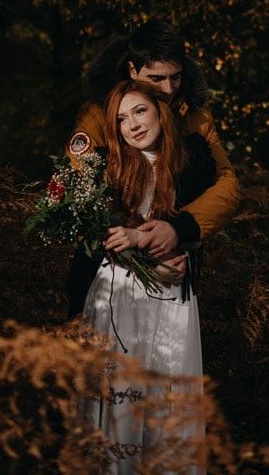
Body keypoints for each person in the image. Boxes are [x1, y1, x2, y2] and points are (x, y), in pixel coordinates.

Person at [79, 79, 216, 474]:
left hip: (173, 297)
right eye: (122, 120)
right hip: (121, 294)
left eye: (140, 111)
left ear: (161, 111)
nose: (133, 125)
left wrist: (185, 253)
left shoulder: (192, 164)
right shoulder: (111, 167)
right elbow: (105, 237)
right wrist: (142, 248)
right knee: (124, 403)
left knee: (170, 403)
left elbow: (199, 225)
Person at [64, 20, 240, 317]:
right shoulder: (98, 115)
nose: (168, 89)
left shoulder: (195, 117)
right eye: (157, 78)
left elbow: (227, 183)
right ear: (133, 70)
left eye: (176, 77)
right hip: (107, 273)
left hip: (175, 270)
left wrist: (180, 228)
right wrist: (145, 258)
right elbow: (80, 193)